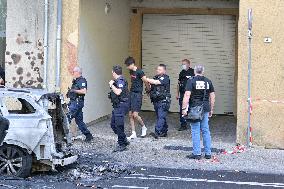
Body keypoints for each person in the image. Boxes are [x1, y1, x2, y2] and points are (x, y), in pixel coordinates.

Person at [182, 65, 215, 160]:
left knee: (195, 130)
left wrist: (184, 109)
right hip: (205, 108)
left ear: (195, 71)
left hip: (194, 108)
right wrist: (211, 109)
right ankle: (208, 153)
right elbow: (212, 96)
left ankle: (197, 153)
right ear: (203, 71)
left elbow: (187, 95)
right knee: (205, 130)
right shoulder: (208, 81)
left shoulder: (191, 81)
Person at [124, 57, 150, 139]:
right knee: (130, 114)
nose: (127, 67)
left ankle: (143, 127)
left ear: (132, 64)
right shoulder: (131, 71)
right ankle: (133, 133)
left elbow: (145, 81)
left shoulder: (140, 71)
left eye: (128, 66)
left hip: (137, 94)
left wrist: (148, 90)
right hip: (131, 93)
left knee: (135, 115)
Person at [67, 66, 93, 142]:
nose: (73, 73)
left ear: (77, 72)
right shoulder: (76, 81)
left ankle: (62, 137)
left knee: (67, 118)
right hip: (75, 102)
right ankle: (88, 135)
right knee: (79, 121)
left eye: (74, 72)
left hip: (76, 103)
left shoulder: (81, 80)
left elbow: (84, 91)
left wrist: (74, 91)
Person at [146, 64, 171, 139]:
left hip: (163, 101)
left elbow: (156, 82)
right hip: (156, 100)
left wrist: (145, 79)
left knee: (161, 116)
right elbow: (151, 86)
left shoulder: (166, 78)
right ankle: (164, 131)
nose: (158, 70)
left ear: (164, 71)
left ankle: (157, 132)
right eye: (157, 69)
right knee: (161, 116)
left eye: (160, 69)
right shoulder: (155, 77)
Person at [108, 65, 130, 152]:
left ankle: (122, 144)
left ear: (114, 72)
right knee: (113, 124)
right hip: (117, 105)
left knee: (119, 125)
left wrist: (111, 85)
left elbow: (118, 92)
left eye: (112, 72)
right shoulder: (117, 80)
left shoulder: (120, 80)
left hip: (121, 105)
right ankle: (124, 139)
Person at [176, 59, 194, 131]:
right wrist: (177, 93)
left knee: (192, 109)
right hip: (183, 93)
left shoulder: (193, 72)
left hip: (191, 94)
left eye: (184, 64)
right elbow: (178, 84)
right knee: (182, 109)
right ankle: (183, 125)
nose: (183, 65)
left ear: (189, 64)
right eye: (182, 64)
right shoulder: (181, 73)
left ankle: (193, 124)